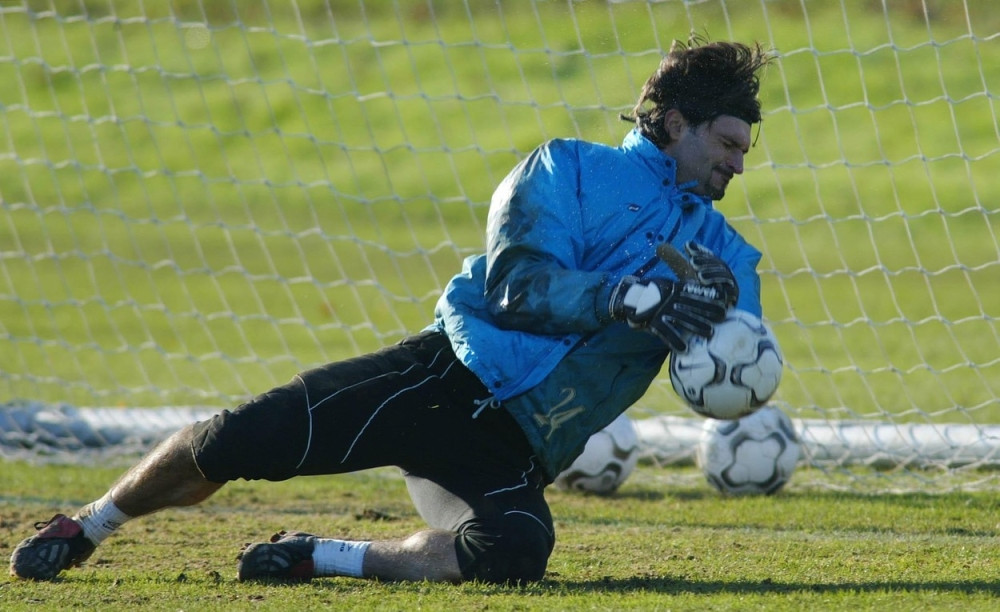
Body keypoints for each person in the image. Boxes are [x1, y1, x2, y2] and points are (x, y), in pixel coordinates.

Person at [10, 37, 773, 584]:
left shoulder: (727, 254)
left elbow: (732, 370)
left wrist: (725, 327)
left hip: (517, 449)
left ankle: (326, 556)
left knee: (514, 552)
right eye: (728, 142)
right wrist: (624, 297)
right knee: (240, 437)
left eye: (745, 150)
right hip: (440, 378)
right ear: (675, 122)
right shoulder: (568, 167)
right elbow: (515, 283)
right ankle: (90, 524)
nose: (738, 163)